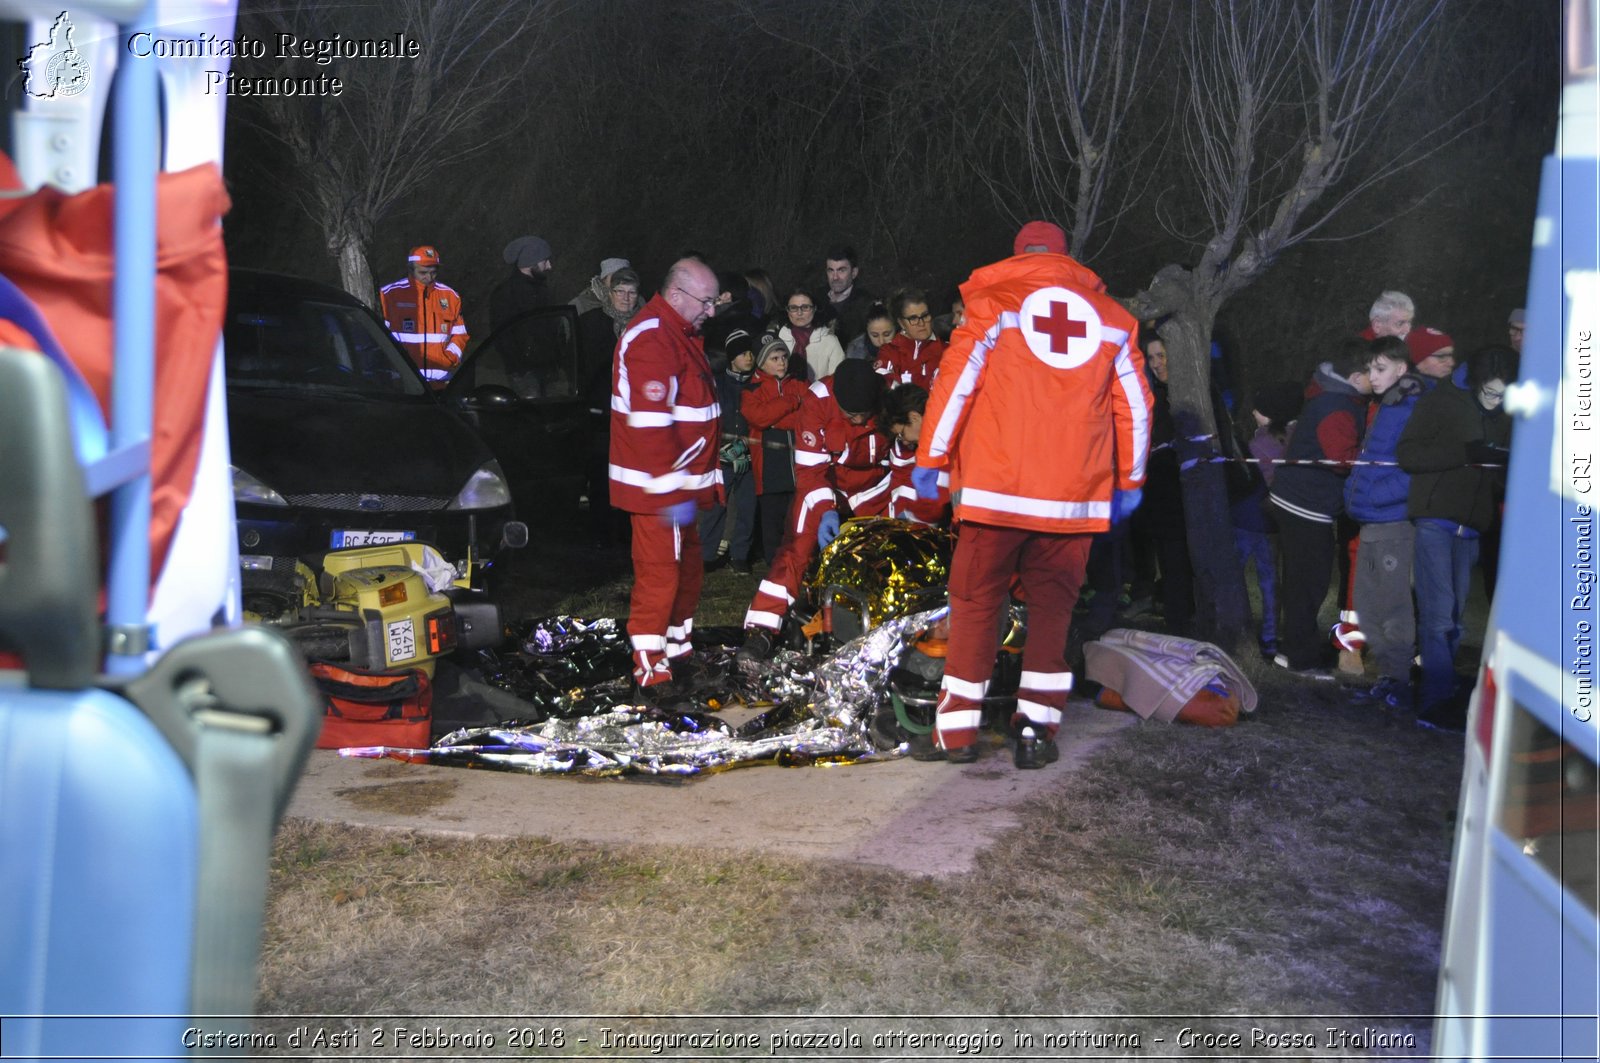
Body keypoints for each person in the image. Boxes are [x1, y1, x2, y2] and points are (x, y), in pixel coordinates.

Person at [914, 219, 1153, 769]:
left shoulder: (994, 305)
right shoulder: (1114, 320)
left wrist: (931, 457)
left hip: (997, 493)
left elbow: (956, 381)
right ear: (1066, 257)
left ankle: (956, 734)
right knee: (1053, 614)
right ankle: (1036, 733)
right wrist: (1130, 481)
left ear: (1018, 255)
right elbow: (1136, 407)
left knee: (975, 606)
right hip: (1074, 500)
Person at [609, 257, 723, 702]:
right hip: (661, 489)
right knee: (660, 577)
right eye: (706, 302)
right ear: (678, 295)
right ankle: (650, 672)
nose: (711, 311)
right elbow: (652, 425)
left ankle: (676, 654)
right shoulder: (654, 338)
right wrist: (668, 488)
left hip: (679, 486)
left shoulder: (677, 332)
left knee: (687, 571)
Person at [735, 359, 890, 665]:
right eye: (851, 415)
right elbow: (809, 470)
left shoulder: (887, 395)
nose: (858, 421)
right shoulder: (817, 400)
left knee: (884, 556)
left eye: (864, 415)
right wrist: (826, 509)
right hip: (825, 483)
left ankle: (882, 628)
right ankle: (762, 628)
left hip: (875, 489)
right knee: (797, 549)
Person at [1396, 345, 1518, 731]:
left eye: (1504, 395)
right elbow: (1409, 455)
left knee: (1456, 617)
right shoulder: (1441, 402)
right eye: (1491, 393)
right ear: (1478, 382)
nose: (1496, 402)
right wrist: (1464, 453)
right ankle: (1434, 700)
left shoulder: (1501, 415)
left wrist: (1500, 466)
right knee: (1438, 614)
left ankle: (1443, 693)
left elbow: (1492, 471)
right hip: (1436, 519)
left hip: (1472, 527)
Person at [1266, 340, 1374, 678]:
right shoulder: (1338, 405)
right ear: (1357, 377)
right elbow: (1340, 458)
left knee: (1304, 581)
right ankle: (1300, 655)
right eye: (1374, 373)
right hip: (1306, 505)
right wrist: (1371, 458)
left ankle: (1295, 648)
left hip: (1300, 501)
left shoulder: (1328, 396)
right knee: (1309, 582)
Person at [1344, 338, 1424, 711]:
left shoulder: (1410, 407)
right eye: (1370, 369)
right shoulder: (1386, 406)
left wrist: (1375, 496)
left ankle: (1398, 679)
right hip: (1372, 520)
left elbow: (1412, 468)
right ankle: (1388, 676)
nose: (1371, 377)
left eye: (1380, 369)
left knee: (1392, 604)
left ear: (1401, 369)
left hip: (1392, 522)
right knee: (1370, 602)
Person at [1238, 380, 1304, 659]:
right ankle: (1270, 636)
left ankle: (1241, 630)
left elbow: (1247, 481)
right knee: (1270, 581)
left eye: (1259, 409)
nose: (1253, 412)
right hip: (1276, 523)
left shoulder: (1259, 444)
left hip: (1249, 520)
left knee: (1237, 574)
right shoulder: (1298, 437)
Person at [577, 267, 641, 548]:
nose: (626, 298)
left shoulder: (646, 323)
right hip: (600, 410)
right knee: (601, 472)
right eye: (620, 292)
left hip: (634, 412)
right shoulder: (592, 322)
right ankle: (600, 534)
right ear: (609, 293)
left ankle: (628, 533)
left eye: (631, 292)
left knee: (632, 474)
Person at [742, 335, 808, 567]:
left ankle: (799, 566)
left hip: (797, 469)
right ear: (761, 362)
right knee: (772, 525)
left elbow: (808, 417)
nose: (781, 362)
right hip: (770, 470)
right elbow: (758, 418)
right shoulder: (752, 389)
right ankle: (775, 570)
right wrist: (790, 402)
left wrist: (775, 420)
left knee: (797, 520)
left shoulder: (800, 385)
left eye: (783, 357)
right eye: (774, 358)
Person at [699, 329, 759, 574]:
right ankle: (705, 554)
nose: (749, 357)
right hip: (722, 456)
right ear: (732, 357)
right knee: (716, 505)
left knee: (747, 506)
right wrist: (722, 448)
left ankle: (740, 555)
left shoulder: (756, 385)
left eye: (751, 353)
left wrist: (746, 446)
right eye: (743, 353)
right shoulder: (717, 383)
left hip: (749, 456)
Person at [379, 245, 468, 389]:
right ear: (411, 269)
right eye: (423, 272)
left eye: (433, 272)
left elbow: (460, 334)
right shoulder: (389, 295)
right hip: (402, 381)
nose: (429, 277)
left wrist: (449, 358)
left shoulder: (450, 296)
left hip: (441, 382)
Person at [883, 383, 950, 525]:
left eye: (902, 434)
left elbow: (933, 504)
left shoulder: (942, 443)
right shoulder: (946, 426)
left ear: (914, 417)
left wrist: (909, 520)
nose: (905, 442)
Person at [769, 286, 846, 382]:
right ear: (787, 310)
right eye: (793, 308)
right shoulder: (777, 338)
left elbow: (837, 381)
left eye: (805, 307)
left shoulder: (830, 341)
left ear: (815, 308)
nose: (799, 313)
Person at [873, 288, 946, 389]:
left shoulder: (947, 350)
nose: (921, 323)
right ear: (901, 323)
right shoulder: (889, 351)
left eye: (925, 316)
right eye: (913, 318)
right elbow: (881, 381)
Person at [491, 234, 555, 325]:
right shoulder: (505, 295)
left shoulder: (542, 290)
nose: (549, 266)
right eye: (545, 262)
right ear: (530, 262)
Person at [820, 244, 876, 347]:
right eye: (831, 270)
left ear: (854, 272)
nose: (835, 277)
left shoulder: (866, 304)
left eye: (841, 270)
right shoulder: (815, 299)